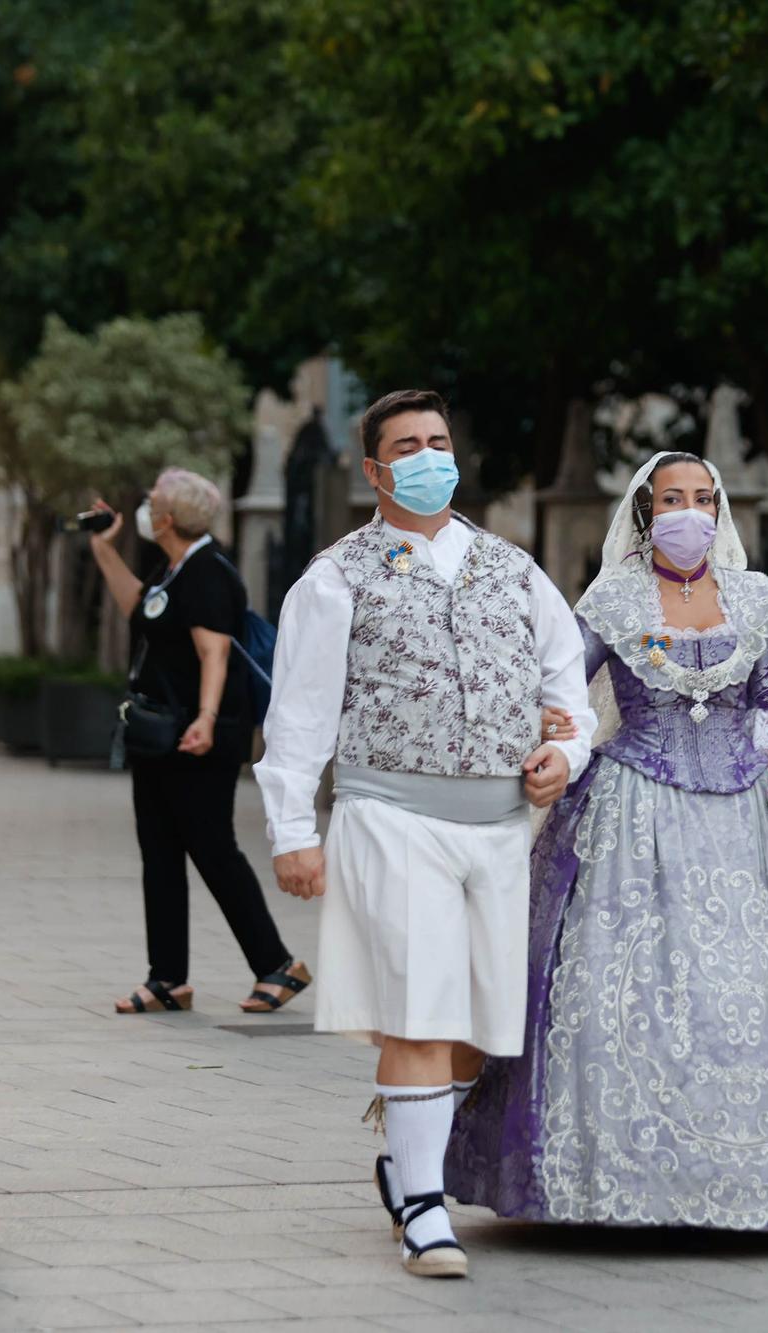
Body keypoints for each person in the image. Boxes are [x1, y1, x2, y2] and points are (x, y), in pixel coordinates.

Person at [445, 451, 768, 1234]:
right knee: (625, 989)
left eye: (704, 498)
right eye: (673, 498)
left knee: (745, 994)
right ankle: (613, 1180)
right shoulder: (615, 597)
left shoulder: (752, 597)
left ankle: (752, 1180)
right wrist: (543, 739)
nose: (691, 512)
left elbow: (767, 710)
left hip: (745, 821)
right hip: (634, 811)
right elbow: (561, 690)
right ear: (645, 512)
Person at [255, 389, 596, 1278]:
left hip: (499, 826)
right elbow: (297, 717)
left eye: (439, 440)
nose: (427, 455)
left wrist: (566, 755)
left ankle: (401, 1160)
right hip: (389, 816)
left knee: (480, 1029)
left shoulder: (513, 569)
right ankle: (423, 1208)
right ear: (375, 470)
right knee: (420, 1006)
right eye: (406, 445)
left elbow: (569, 694)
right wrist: (293, 829)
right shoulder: (335, 577)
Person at [85, 468, 309, 1016]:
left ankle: (278, 965)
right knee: (159, 852)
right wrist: (103, 551)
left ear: (167, 518)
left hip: (201, 734)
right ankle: (167, 979)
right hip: (159, 733)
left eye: (152, 501)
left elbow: (215, 654)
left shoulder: (209, 571)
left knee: (213, 849)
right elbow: (140, 610)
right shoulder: (174, 569)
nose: (145, 507)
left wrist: (206, 718)